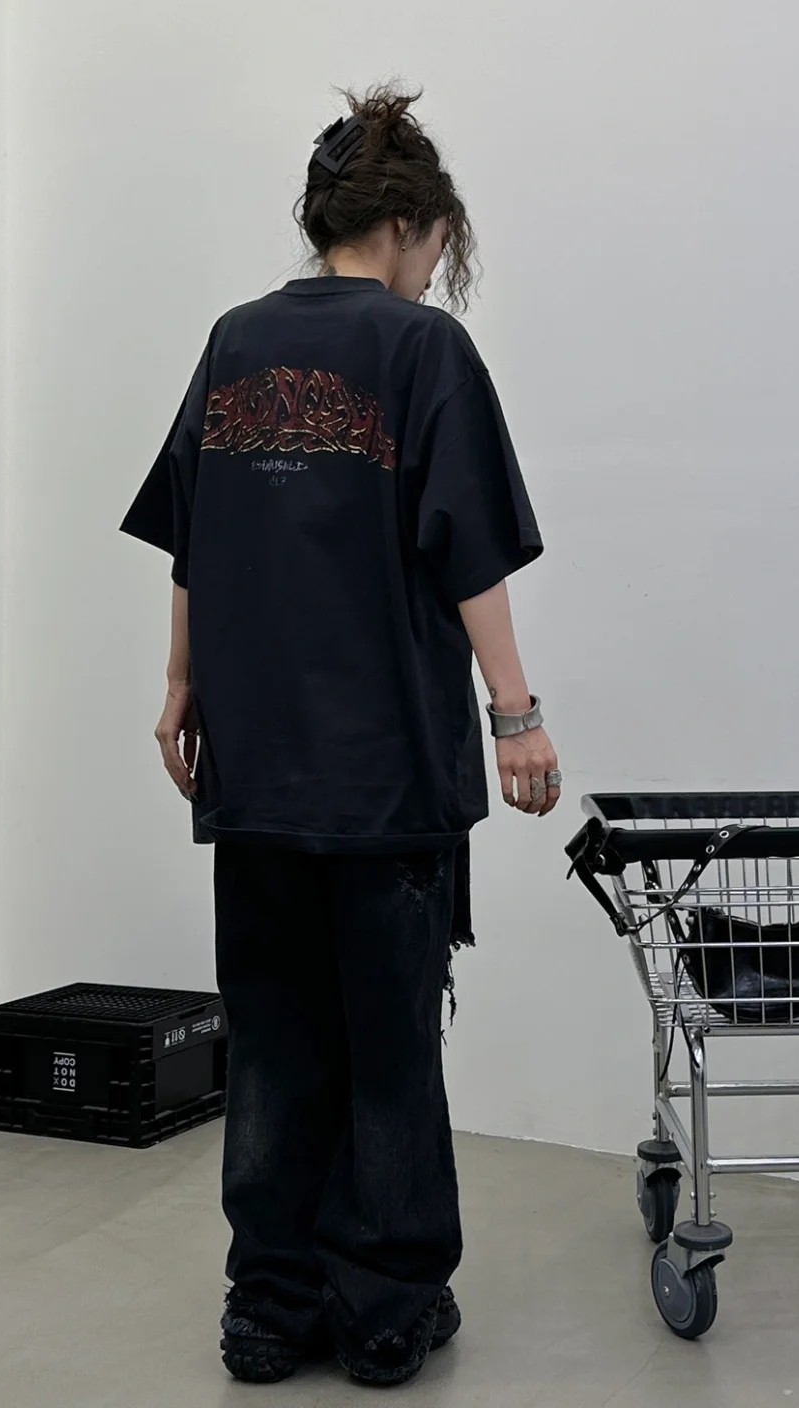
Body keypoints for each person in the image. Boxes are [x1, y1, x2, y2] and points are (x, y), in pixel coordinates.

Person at [120, 84, 559, 1389]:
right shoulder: (425, 350)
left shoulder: (235, 340)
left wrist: (179, 683)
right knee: (388, 1048)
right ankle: (382, 1310)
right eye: (437, 244)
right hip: (386, 773)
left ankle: (268, 1309)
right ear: (412, 223)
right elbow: (467, 549)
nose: (432, 268)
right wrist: (518, 714)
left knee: (272, 1042)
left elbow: (192, 536)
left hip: (255, 763)